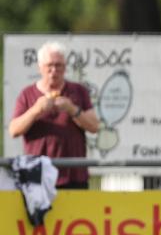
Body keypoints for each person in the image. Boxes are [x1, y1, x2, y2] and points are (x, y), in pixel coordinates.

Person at [9, 41, 100, 189]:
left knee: (77, 213)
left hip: (74, 177)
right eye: (49, 65)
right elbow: (14, 130)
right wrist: (36, 110)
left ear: (65, 67)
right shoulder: (27, 94)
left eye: (58, 65)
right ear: (40, 67)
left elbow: (95, 126)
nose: (54, 70)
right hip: (37, 177)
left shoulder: (78, 91)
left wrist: (72, 109)